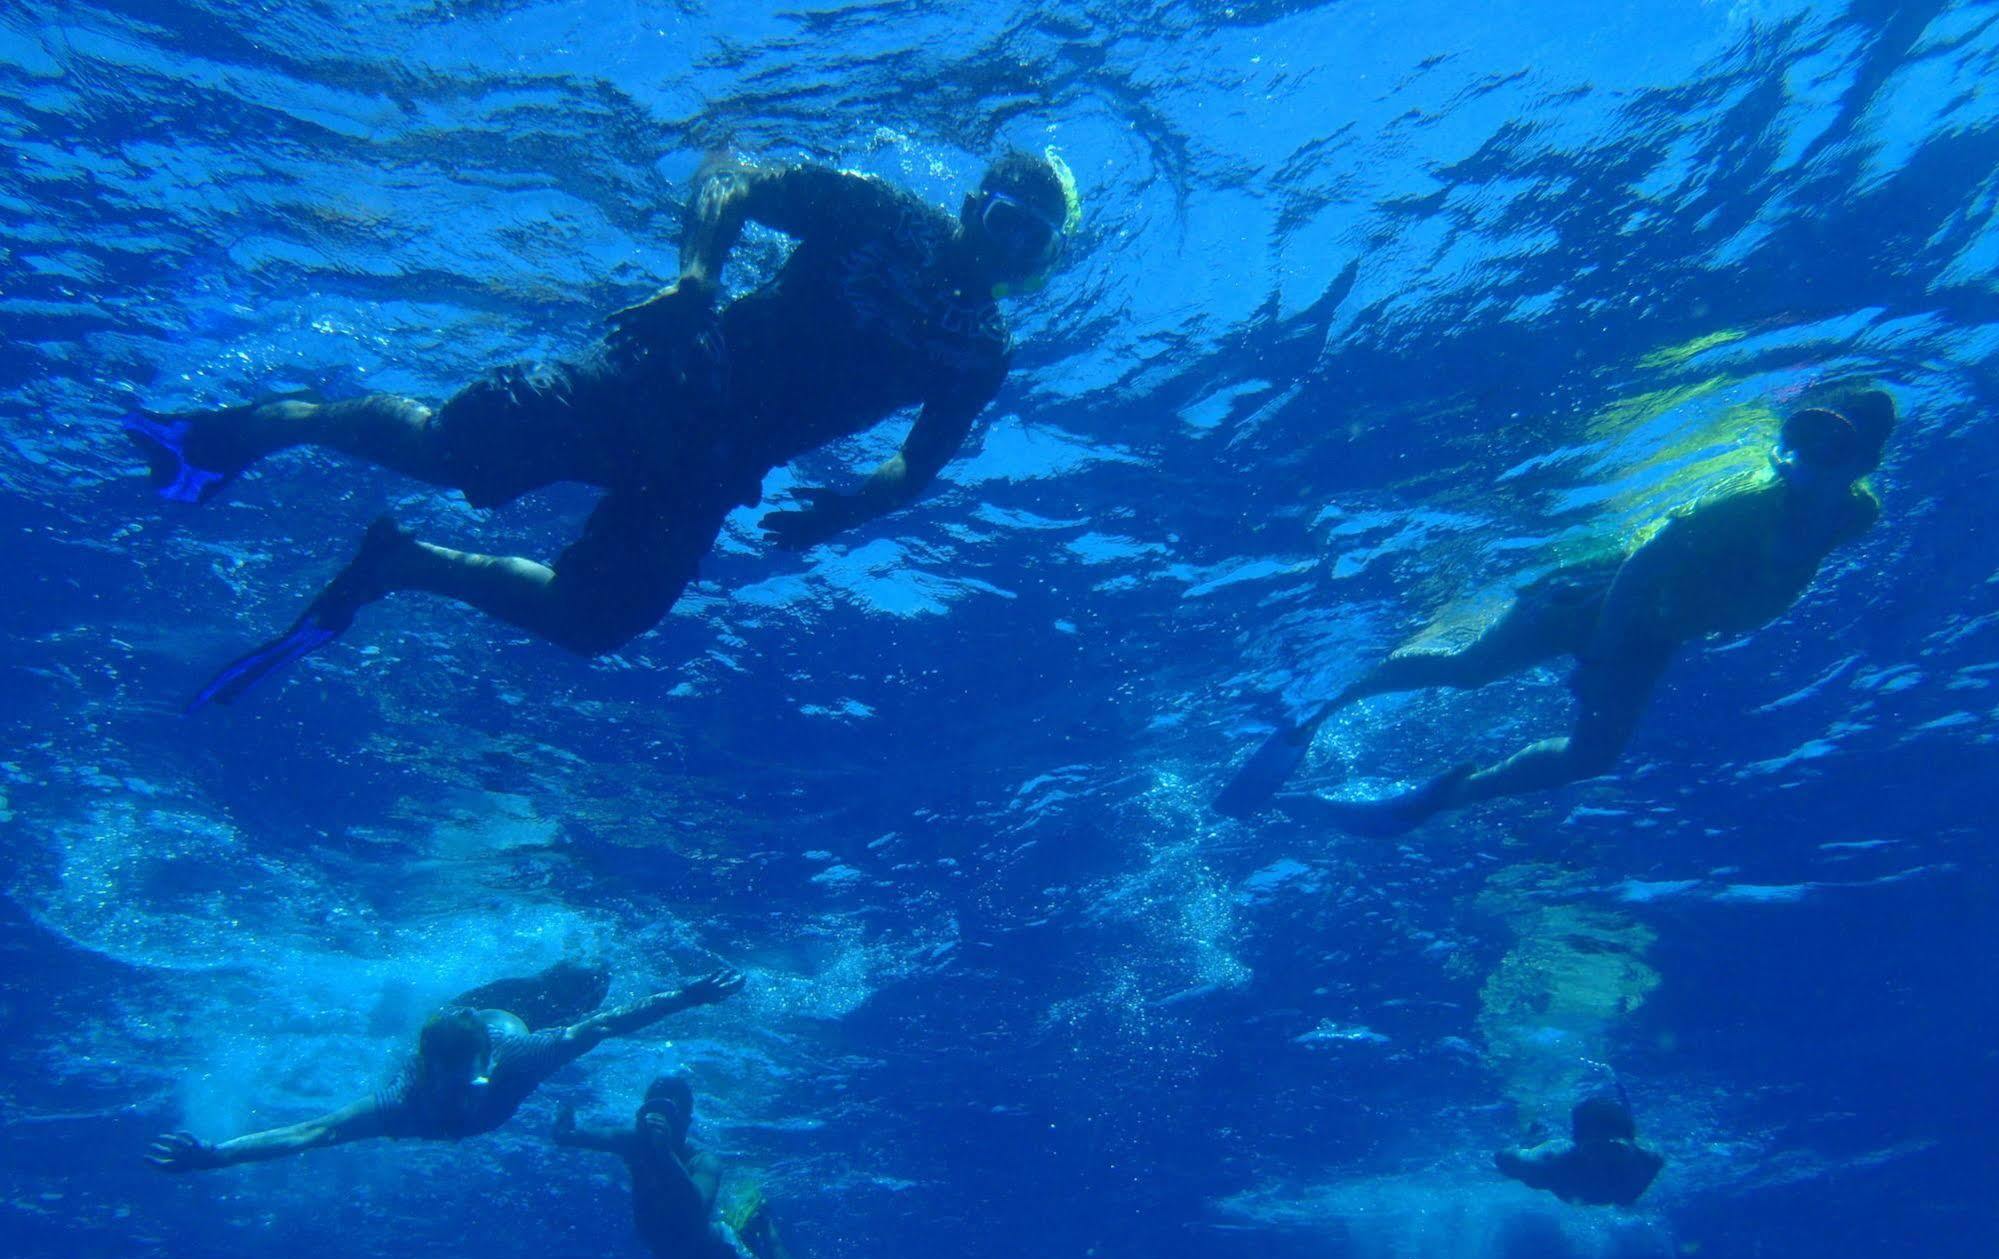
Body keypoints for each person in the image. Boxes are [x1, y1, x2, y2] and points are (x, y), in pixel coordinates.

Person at [124, 147, 1083, 706]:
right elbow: (732, 171)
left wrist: (838, 515)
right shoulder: (887, 216)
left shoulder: (980, 352)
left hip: (716, 467)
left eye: (1030, 238)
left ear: (1043, 258)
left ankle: (398, 564)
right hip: (662, 376)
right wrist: (698, 279)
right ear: (971, 204)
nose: (1006, 244)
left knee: (594, 619)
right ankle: (261, 426)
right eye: (1003, 216)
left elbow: (916, 465)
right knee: (451, 449)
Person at [1214, 389, 1896, 831]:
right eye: (1805, 437)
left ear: (1863, 461)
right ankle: (1317, 714)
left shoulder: (1855, 516)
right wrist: (1600, 653)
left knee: (1593, 757)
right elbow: (1641, 565)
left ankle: (1430, 801)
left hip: (1653, 634)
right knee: (1468, 669)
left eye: (1832, 445)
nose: (1810, 456)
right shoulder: (1745, 504)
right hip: (1595, 596)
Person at [147, 963, 742, 1171]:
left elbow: (604, 1024)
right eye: (449, 1088)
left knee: (591, 976)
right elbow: (314, 1131)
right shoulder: (404, 1102)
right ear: (429, 1077)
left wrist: (689, 996)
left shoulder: (519, 1059)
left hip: (521, 1010)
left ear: (487, 1065)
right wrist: (216, 1156)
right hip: (468, 1014)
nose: (462, 1101)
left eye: (471, 1084)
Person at [554, 1074, 808, 1259]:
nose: (658, 1123)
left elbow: (697, 1207)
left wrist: (665, 1154)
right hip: (668, 1257)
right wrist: (563, 1125)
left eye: (669, 1116)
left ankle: (767, 1230)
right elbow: (572, 1136)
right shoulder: (632, 1143)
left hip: (717, 1255)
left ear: (685, 1123)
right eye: (652, 1112)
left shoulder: (703, 1161)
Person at [1494, 1088, 1665, 1208]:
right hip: (1553, 1167)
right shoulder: (1553, 1163)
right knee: (1535, 1134)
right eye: (1595, 1147)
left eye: (1613, 1144)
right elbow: (1507, 1158)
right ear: (1577, 1142)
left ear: (1631, 1141)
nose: (1603, 1158)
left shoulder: (1649, 1162)